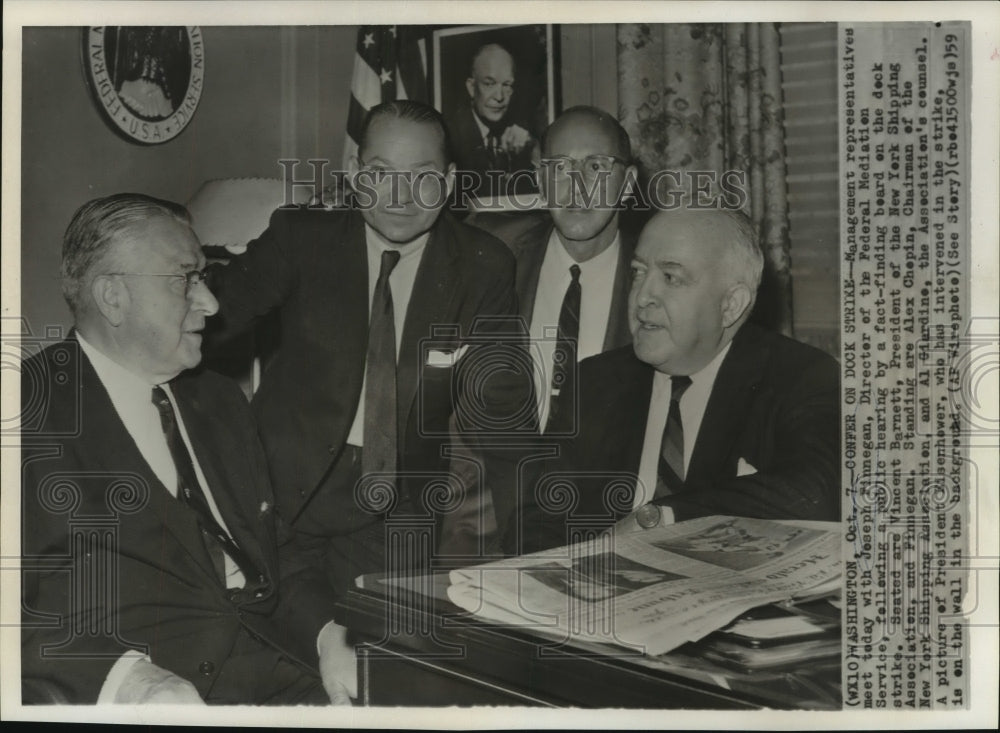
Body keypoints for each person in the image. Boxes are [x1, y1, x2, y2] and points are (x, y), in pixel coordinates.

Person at [206, 100, 532, 613]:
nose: (400, 196)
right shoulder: (301, 238)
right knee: (279, 651)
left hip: (397, 517)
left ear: (448, 182)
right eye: (381, 174)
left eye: (421, 176)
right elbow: (201, 330)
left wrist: (538, 546)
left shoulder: (482, 266)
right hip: (278, 496)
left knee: (380, 666)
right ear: (356, 174)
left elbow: (504, 421)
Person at [20, 194, 347, 704]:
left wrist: (329, 635)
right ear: (113, 296)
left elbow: (276, 551)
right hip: (161, 694)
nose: (212, 303)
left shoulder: (218, 398)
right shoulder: (25, 412)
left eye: (204, 278)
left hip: (283, 668)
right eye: (185, 279)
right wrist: (125, 680)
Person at [519, 208, 840, 553]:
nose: (642, 297)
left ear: (731, 305)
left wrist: (664, 518)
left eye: (671, 278)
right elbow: (537, 523)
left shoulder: (800, 376)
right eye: (638, 273)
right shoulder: (595, 382)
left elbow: (816, 493)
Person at [440, 106, 640, 554]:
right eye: (560, 167)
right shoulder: (492, 256)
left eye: (596, 166)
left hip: (605, 534)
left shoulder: (656, 282)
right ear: (539, 177)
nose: (578, 186)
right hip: (482, 525)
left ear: (627, 184)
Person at [447, 42, 538, 199]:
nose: (499, 97)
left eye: (506, 85)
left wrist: (533, 151)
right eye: (489, 84)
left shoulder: (522, 135)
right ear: (471, 87)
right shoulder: (450, 136)